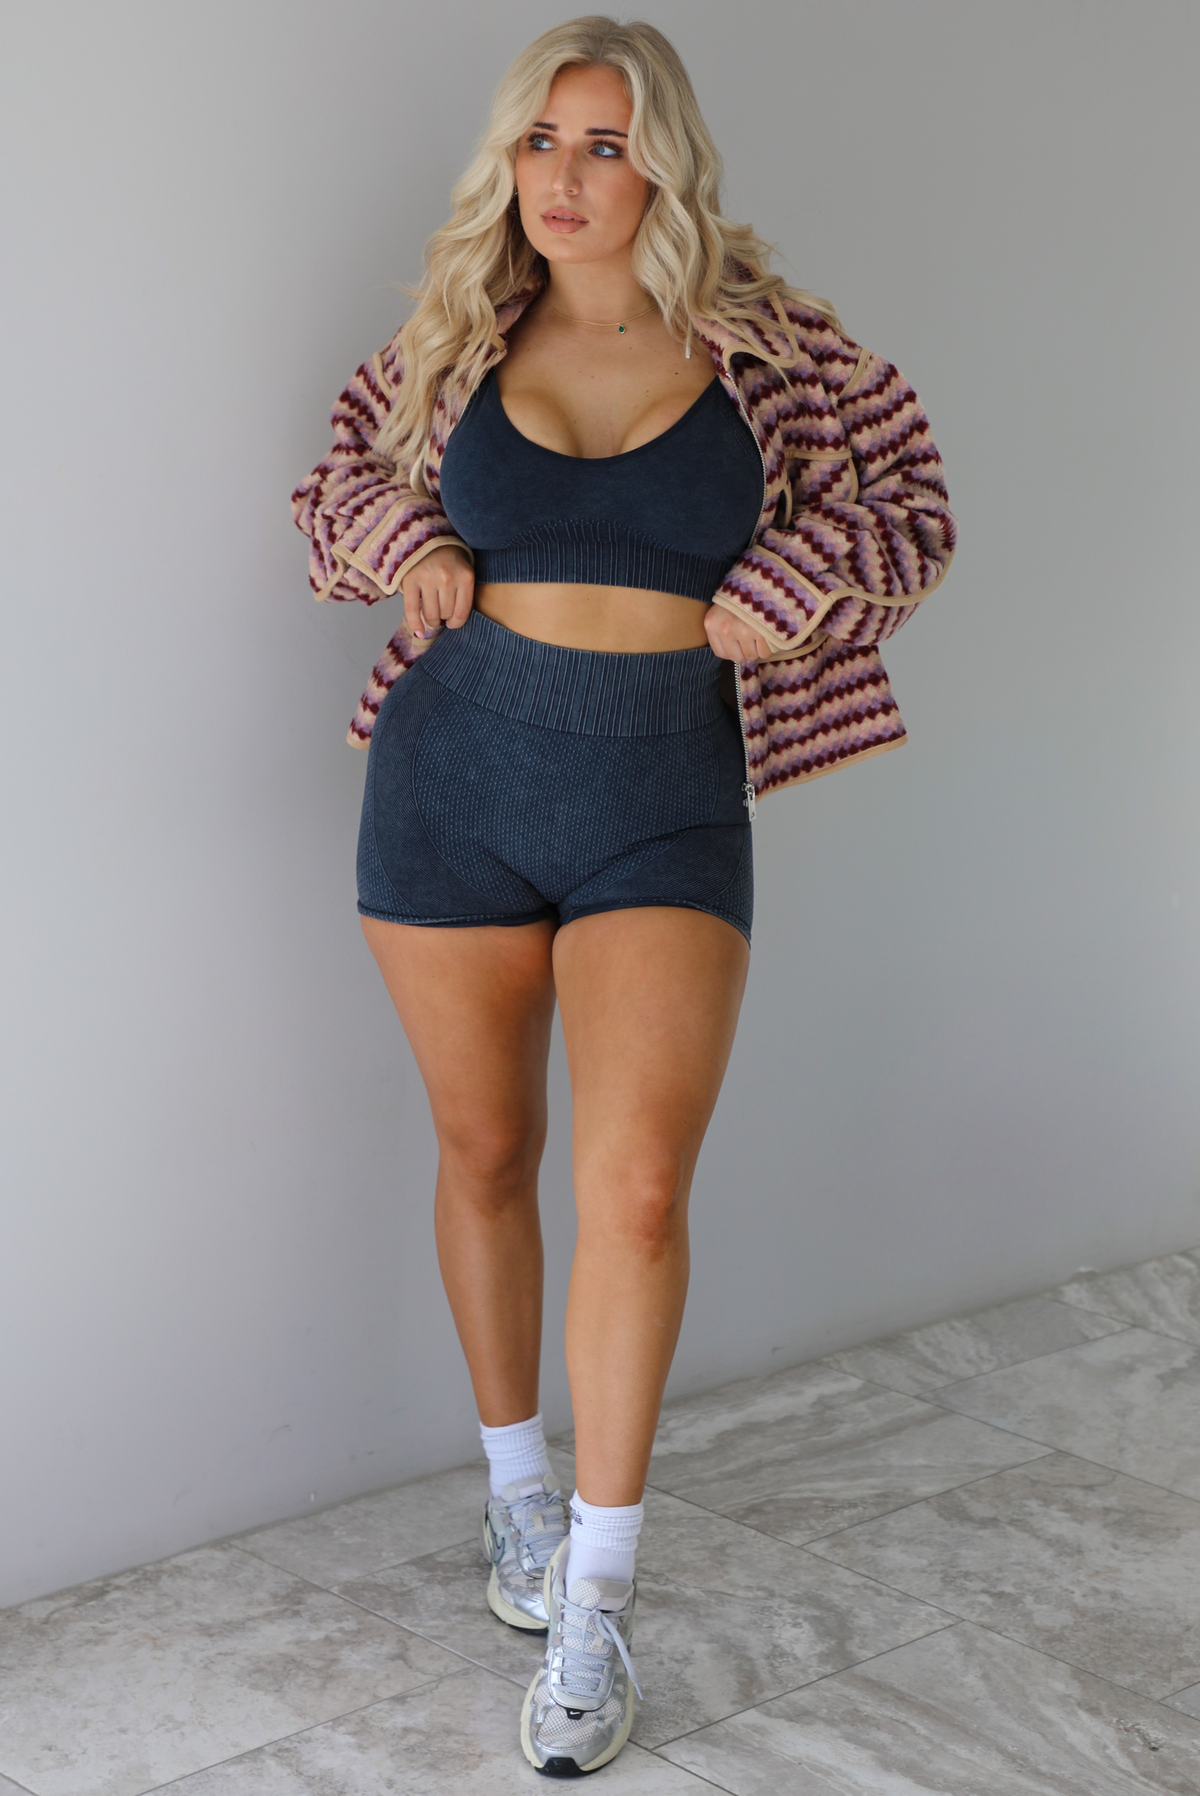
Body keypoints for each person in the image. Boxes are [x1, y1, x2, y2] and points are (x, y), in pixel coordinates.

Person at [292, 15, 954, 1777]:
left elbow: (914, 502)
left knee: (641, 1188)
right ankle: (515, 1490)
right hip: (454, 774)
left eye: (604, 144)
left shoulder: (776, 343)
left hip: (664, 794)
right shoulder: (456, 331)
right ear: (506, 160)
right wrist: (407, 541)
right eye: (542, 142)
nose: (567, 178)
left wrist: (793, 583)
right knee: (488, 1151)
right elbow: (331, 484)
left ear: (664, 161)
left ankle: (596, 1598)